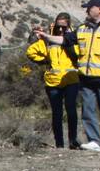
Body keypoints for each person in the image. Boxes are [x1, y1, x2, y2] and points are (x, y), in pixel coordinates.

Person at [34, 0, 100, 151]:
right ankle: (94, 141)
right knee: (88, 110)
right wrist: (47, 37)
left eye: (89, 8)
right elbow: (65, 40)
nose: (86, 11)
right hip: (85, 77)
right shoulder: (83, 28)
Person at [26, 15, 80, 149]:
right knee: (57, 113)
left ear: (68, 26)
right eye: (58, 26)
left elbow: (80, 54)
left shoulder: (74, 37)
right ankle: (59, 144)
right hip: (53, 82)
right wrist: (44, 61)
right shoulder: (48, 40)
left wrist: (68, 43)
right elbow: (31, 52)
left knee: (71, 110)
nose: (60, 29)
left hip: (71, 79)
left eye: (64, 27)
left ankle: (73, 141)